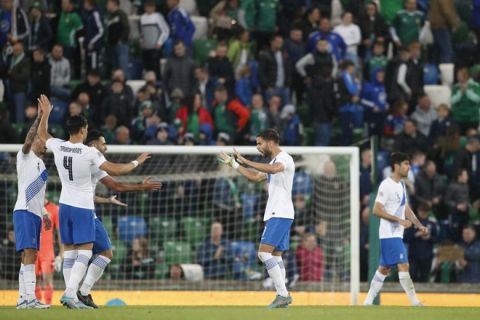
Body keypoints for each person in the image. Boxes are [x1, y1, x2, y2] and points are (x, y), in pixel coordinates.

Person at [37, 94, 151, 309]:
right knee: (86, 252)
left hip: (64, 206)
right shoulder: (89, 152)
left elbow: (43, 135)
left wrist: (45, 115)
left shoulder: (60, 146)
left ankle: (71, 295)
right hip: (82, 207)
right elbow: (117, 170)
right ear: (82, 130)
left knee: (70, 252)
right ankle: (72, 293)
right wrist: (137, 161)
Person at [76, 130, 161, 308]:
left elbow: (107, 187)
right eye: (103, 143)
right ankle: (78, 293)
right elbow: (117, 178)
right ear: (93, 145)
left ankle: (77, 293)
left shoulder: (86, 163)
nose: (106, 146)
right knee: (92, 253)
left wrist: (107, 200)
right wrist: (138, 163)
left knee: (89, 253)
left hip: (76, 210)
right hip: (83, 212)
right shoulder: (91, 160)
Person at [218, 129, 294, 308]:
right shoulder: (274, 161)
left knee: (263, 253)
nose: (258, 147)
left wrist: (246, 160)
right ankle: (283, 295)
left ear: (270, 142)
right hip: (280, 213)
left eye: (260, 143)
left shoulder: (284, 159)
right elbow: (254, 177)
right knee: (275, 255)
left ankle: (283, 295)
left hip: (280, 212)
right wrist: (234, 164)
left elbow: (274, 170)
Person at [364, 152, 428, 306]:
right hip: (389, 234)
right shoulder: (386, 184)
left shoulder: (401, 185)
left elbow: (405, 208)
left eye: (409, 164)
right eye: (405, 164)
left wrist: (419, 224)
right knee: (404, 265)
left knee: (384, 269)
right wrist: (399, 220)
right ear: (396, 166)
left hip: (396, 234)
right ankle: (415, 302)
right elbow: (376, 210)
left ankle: (367, 302)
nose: (408, 167)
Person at [12, 106, 51, 309]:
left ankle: (22, 299)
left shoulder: (43, 168)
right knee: (30, 252)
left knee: (29, 255)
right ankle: (30, 299)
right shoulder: (24, 156)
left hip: (35, 213)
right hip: (24, 211)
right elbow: (28, 139)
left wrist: (45, 213)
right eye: (43, 142)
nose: (45, 146)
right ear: (36, 141)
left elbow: (40, 195)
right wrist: (39, 119)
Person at [35, 200, 63, 305]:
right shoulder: (31, 205)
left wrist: (61, 254)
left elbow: (60, 233)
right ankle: (36, 303)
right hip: (33, 249)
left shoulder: (54, 208)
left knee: (47, 280)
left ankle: (48, 305)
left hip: (47, 251)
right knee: (33, 280)